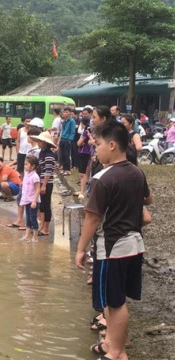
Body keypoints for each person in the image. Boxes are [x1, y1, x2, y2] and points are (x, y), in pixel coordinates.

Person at [75, 121, 152, 360]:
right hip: (134, 245)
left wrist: (80, 249)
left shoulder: (102, 178)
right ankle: (111, 342)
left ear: (111, 145)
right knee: (116, 298)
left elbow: (92, 218)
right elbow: (147, 200)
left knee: (115, 302)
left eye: (97, 145)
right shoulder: (136, 171)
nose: (95, 149)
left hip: (112, 248)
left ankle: (118, 351)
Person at [30, 132, 57, 237]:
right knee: (41, 206)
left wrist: (44, 185)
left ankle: (46, 228)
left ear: (45, 143)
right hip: (41, 182)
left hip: (47, 183)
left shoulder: (49, 155)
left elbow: (48, 172)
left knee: (46, 205)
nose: (39, 143)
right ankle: (42, 226)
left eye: (41, 141)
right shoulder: (42, 153)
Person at [19, 156, 40, 243]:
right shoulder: (27, 174)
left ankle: (35, 237)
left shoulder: (35, 177)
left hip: (32, 201)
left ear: (33, 166)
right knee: (28, 218)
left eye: (27, 164)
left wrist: (34, 201)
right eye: (25, 164)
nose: (25, 166)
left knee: (33, 218)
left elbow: (38, 189)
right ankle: (27, 235)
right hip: (27, 200)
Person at [76, 117, 92, 199]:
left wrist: (79, 143)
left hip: (83, 152)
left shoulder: (86, 132)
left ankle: (82, 192)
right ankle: (84, 190)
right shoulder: (93, 131)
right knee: (87, 173)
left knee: (83, 173)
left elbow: (79, 143)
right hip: (90, 153)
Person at [58, 107, 76, 176]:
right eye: (64, 112)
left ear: (69, 113)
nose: (65, 113)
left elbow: (72, 132)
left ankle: (67, 170)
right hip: (62, 139)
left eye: (66, 112)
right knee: (62, 155)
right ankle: (64, 169)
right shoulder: (64, 121)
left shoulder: (72, 121)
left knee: (67, 155)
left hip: (67, 140)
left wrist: (70, 139)